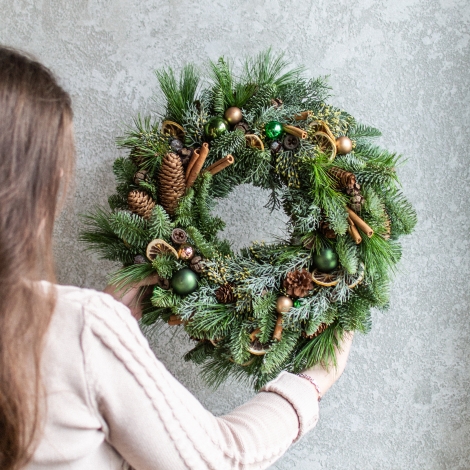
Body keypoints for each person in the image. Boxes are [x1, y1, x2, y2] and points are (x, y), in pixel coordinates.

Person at [0, 45, 353, 470]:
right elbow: (218, 459)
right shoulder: (70, 328)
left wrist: (103, 337)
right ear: (39, 187)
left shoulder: (73, 328)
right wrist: (310, 384)